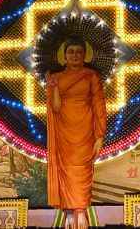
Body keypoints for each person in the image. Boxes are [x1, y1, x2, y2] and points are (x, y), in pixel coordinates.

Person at [45, 37, 107, 229]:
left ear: (84, 54)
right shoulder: (57, 78)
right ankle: (71, 215)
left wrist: (100, 135)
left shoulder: (91, 76)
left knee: (82, 170)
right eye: (70, 52)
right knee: (67, 170)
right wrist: (53, 87)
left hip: (85, 131)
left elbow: (99, 106)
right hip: (64, 131)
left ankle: (80, 212)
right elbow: (55, 107)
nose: (74, 55)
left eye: (78, 52)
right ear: (64, 56)